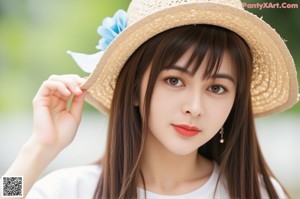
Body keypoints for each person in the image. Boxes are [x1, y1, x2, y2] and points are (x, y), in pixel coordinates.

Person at [0, 0, 299, 198]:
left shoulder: (258, 193)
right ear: (133, 89)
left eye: (217, 88)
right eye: (174, 80)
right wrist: (37, 150)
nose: (194, 107)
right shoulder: (70, 191)